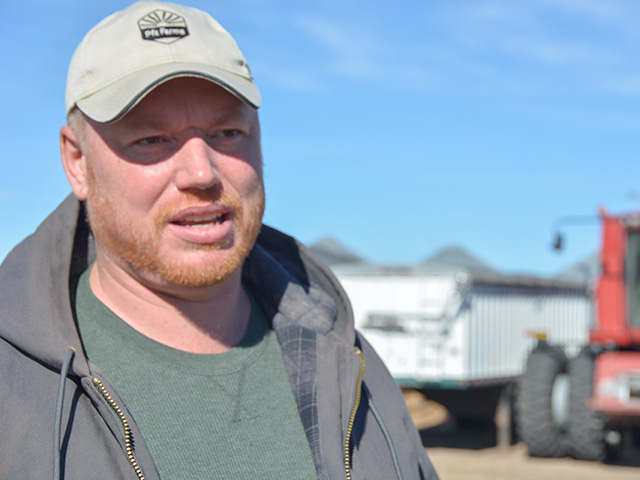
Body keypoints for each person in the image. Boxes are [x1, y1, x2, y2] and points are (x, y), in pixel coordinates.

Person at [0, 2, 439, 479]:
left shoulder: (351, 365)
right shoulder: (14, 386)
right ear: (77, 161)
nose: (201, 173)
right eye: (152, 139)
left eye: (228, 133)